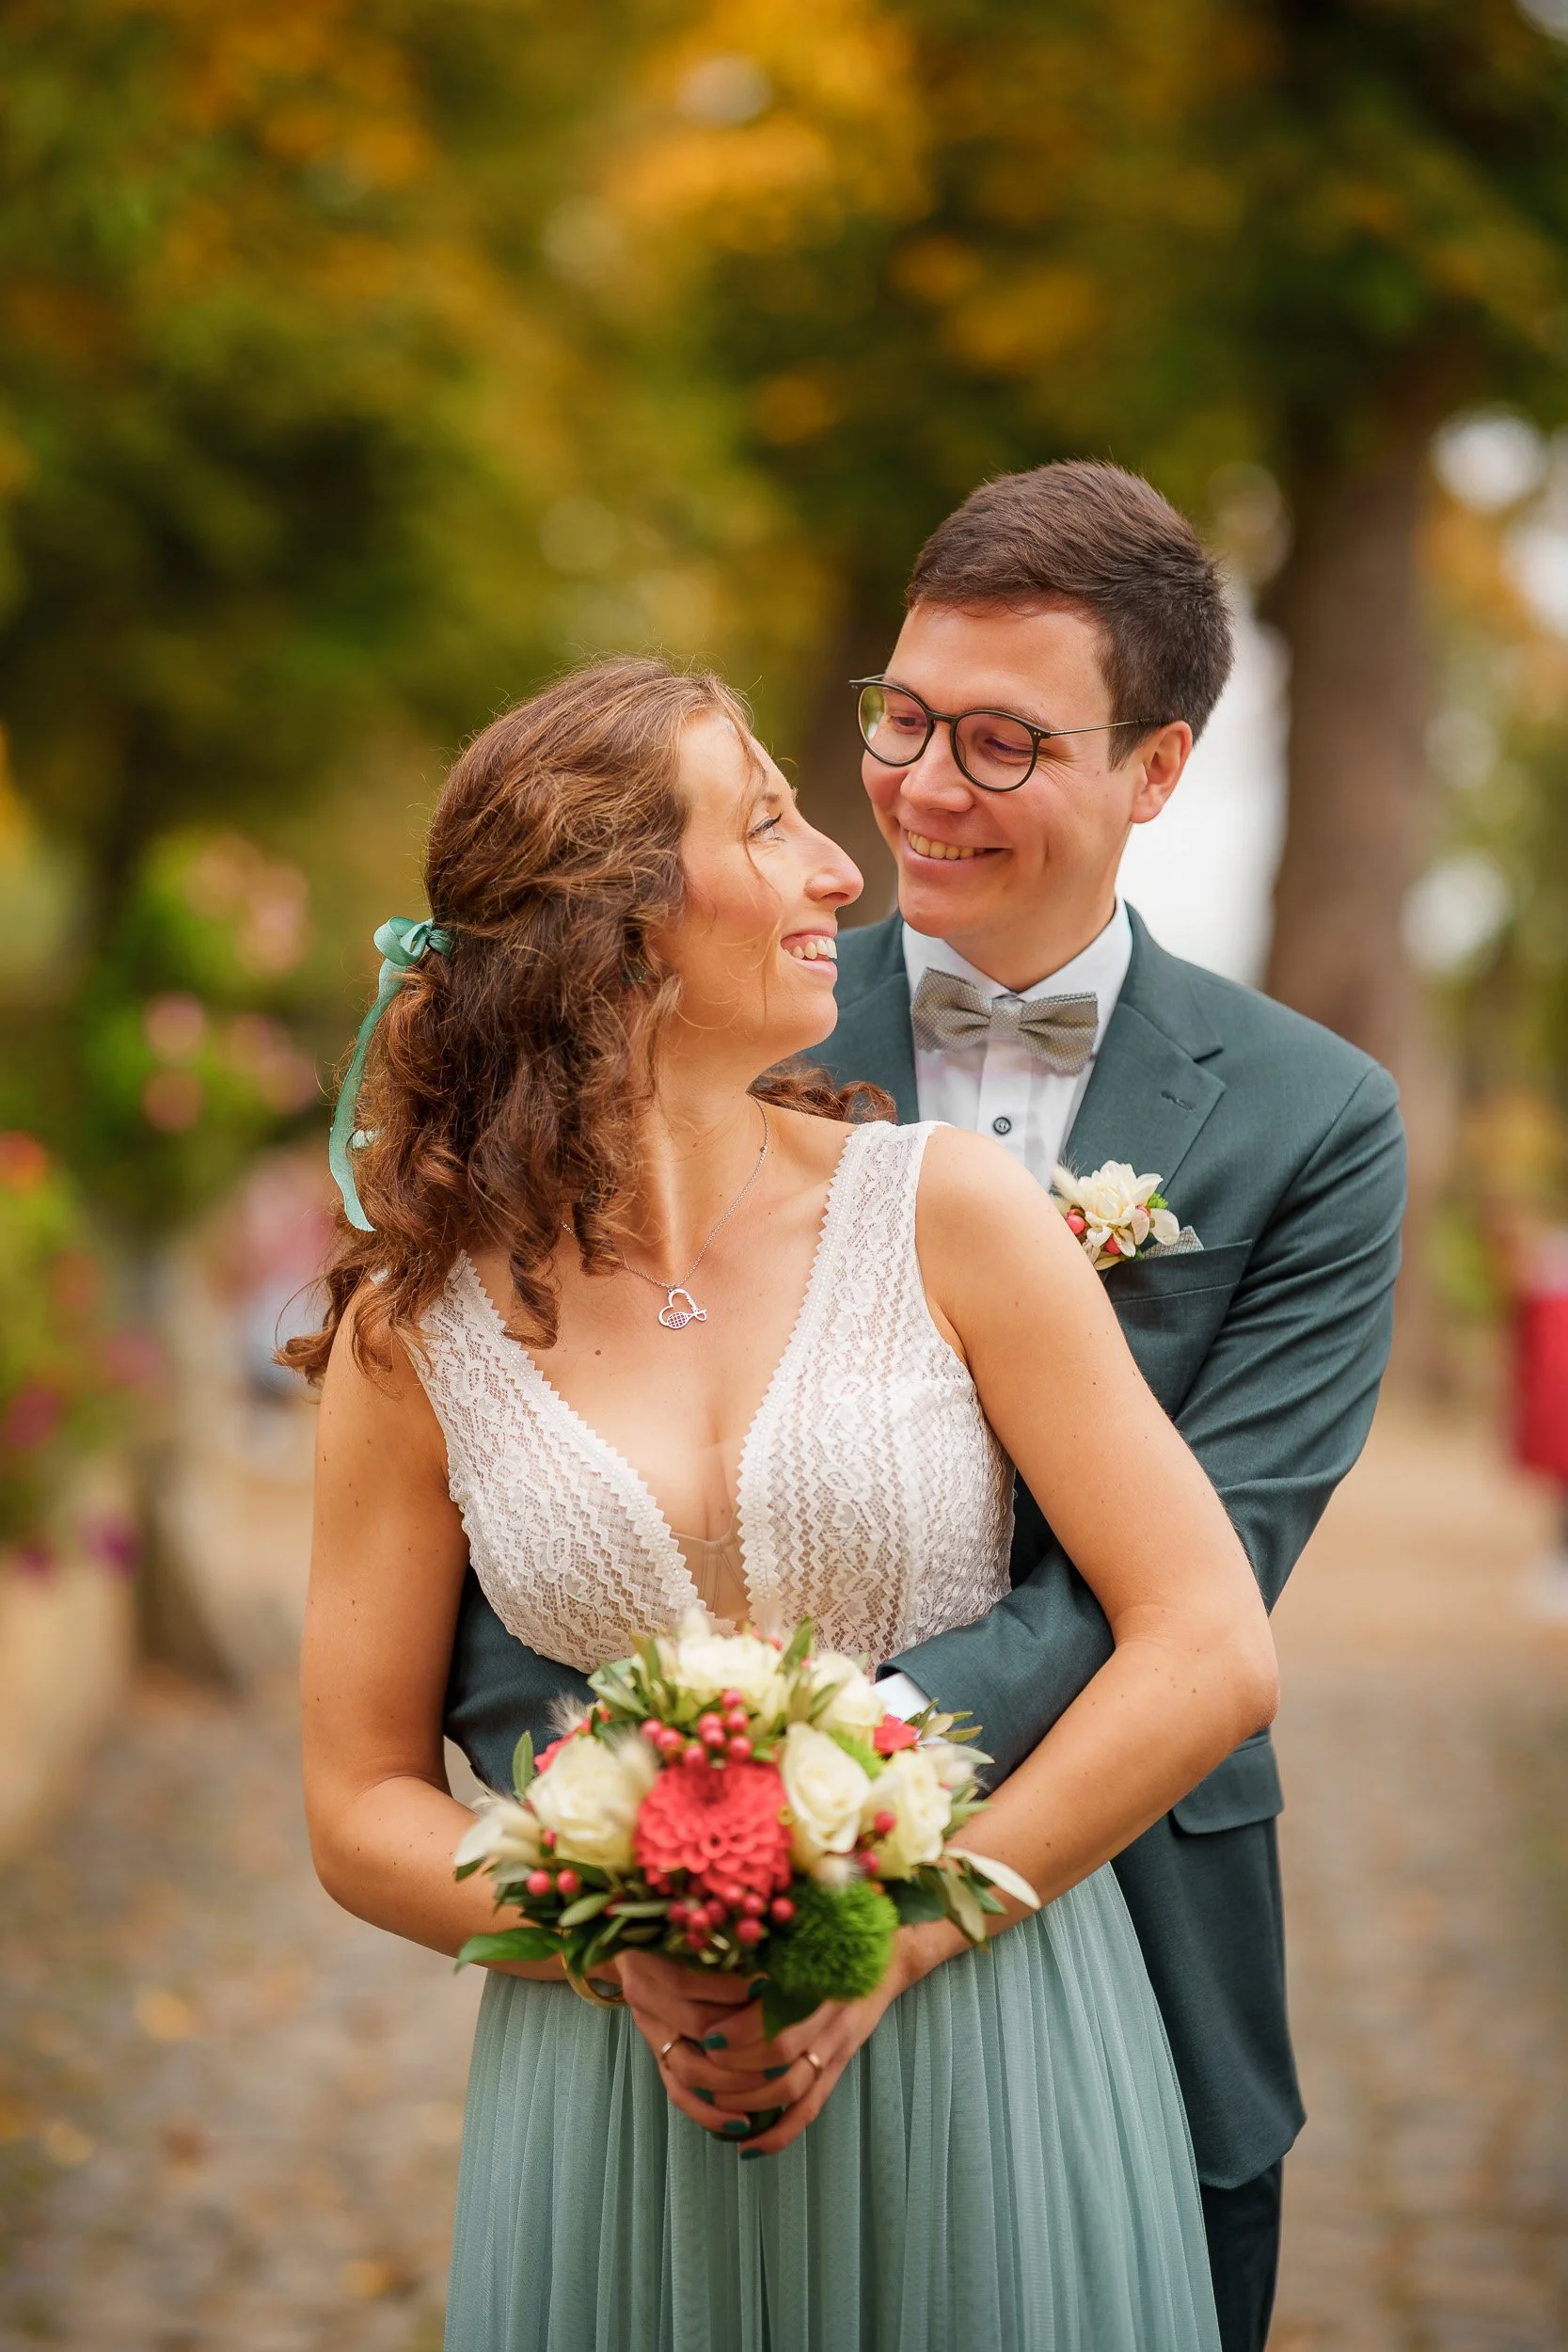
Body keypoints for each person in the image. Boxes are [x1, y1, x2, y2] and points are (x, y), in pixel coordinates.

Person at [444, 464, 1408, 2352]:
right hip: (680, 1935)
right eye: (895, 718)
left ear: (1155, 768)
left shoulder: (1314, 1120)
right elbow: (526, 1475)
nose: (915, 789)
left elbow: (1211, 1565)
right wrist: (651, 1836)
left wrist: (806, 1786)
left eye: (994, 739)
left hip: (1129, 1895)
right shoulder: (717, 994)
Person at [295, 653, 1280, 2350]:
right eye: (767, 824)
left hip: (987, 2028)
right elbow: (357, 1800)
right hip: (616, 2091)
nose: (842, 866)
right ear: (613, 932)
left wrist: (906, 1930)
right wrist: (604, 1942)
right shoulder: (415, 1335)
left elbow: (1205, 1644)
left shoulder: (949, 1215)